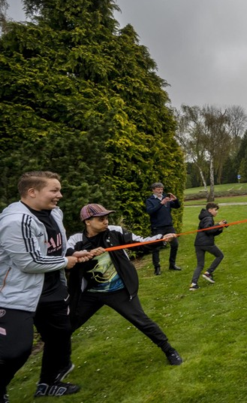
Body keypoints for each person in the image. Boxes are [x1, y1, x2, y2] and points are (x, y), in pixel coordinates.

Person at [0, 171, 89, 399]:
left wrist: (70, 253)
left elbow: (52, 248)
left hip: (52, 290)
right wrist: (66, 261)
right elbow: (29, 262)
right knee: (15, 351)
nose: (59, 195)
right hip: (16, 295)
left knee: (59, 336)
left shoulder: (53, 213)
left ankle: (48, 382)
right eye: (54, 190)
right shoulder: (16, 221)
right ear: (32, 192)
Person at [67, 204, 183, 366]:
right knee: (66, 326)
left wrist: (161, 239)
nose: (106, 221)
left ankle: (169, 350)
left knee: (142, 321)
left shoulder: (115, 232)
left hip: (119, 290)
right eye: (101, 219)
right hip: (90, 293)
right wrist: (88, 253)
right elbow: (67, 257)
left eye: (106, 218)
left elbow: (140, 242)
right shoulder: (76, 240)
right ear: (87, 221)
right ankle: (59, 366)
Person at [145, 182, 181, 275]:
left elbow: (177, 206)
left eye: (161, 189)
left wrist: (175, 200)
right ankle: (157, 268)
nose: (160, 191)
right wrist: (161, 203)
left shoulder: (166, 198)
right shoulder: (150, 200)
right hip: (157, 227)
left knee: (175, 244)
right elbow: (150, 211)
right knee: (156, 248)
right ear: (153, 190)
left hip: (169, 226)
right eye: (158, 189)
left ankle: (172, 264)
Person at [190, 203, 227, 291]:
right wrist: (218, 224)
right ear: (210, 210)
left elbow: (211, 231)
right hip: (206, 243)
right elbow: (208, 230)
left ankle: (193, 284)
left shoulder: (205, 217)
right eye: (215, 209)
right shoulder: (208, 218)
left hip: (198, 244)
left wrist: (220, 228)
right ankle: (208, 272)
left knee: (200, 265)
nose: (216, 212)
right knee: (220, 255)